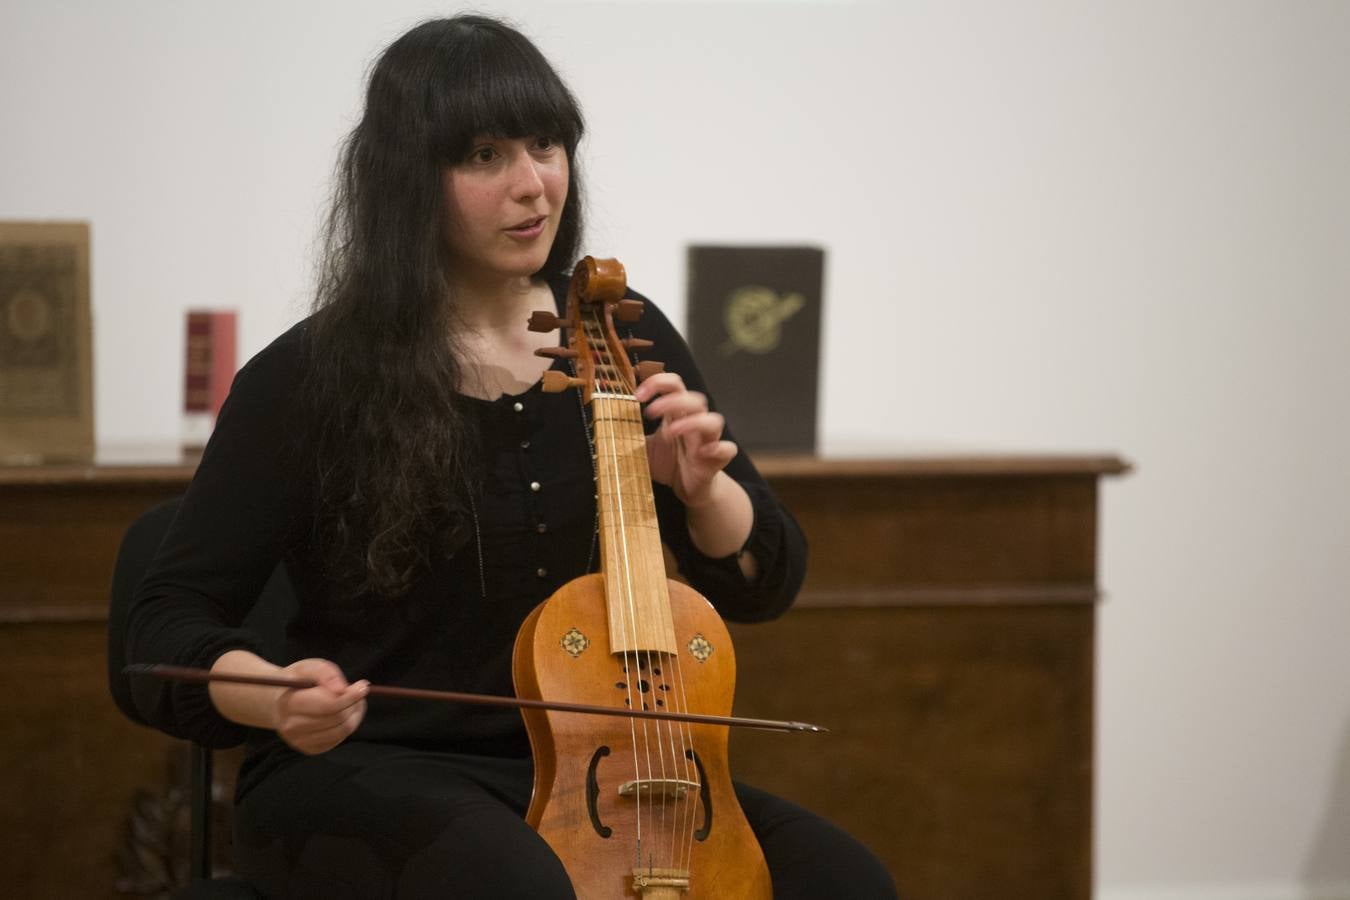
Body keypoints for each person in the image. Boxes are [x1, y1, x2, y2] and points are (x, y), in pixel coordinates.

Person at [126, 14, 897, 899]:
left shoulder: (615, 333)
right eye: (484, 156)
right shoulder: (309, 379)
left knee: (845, 882)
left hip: (604, 772)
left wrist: (704, 493)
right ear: (409, 181)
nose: (534, 185)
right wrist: (270, 696)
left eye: (546, 144)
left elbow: (769, 582)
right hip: (367, 775)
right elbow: (163, 625)